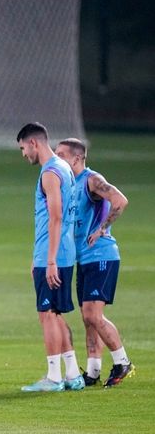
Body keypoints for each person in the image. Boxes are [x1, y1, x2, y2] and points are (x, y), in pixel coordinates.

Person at [55, 138, 135, 387]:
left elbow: (120, 200)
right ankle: (92, 371)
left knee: (93, 314)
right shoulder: (68, 183)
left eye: (61, 154)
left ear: (77, 158)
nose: (57, 158)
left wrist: (102, 228)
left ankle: (122, 361)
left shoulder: (91, 180)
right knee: (87, 317)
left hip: (102, 255)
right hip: (83, 258)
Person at [16, 123, 85, 392]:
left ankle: (54, 378)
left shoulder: (50, 173)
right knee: (54, 314)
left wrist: (50, 259)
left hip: (54, 255)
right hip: (60, 251)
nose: (23, 154)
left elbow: (55, 217)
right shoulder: (64, 168)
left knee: (47, 315)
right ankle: (72, 374)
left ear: (34, 143)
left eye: (23, 148)